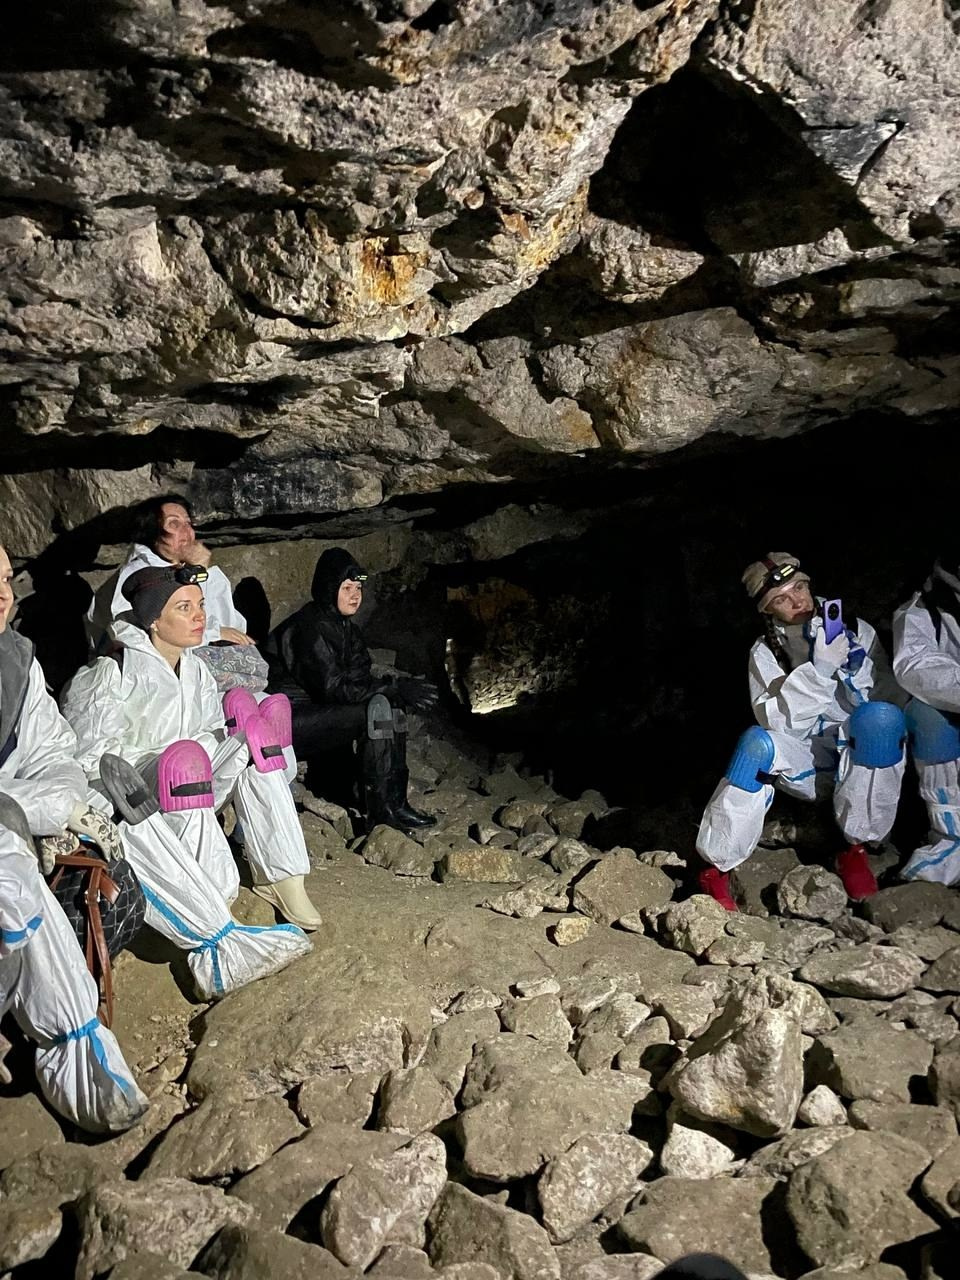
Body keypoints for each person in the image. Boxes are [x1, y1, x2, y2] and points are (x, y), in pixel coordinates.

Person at [62, 563, 323, 960]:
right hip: (136, 798)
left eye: (200, 605)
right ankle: (210, 899)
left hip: (190, 782)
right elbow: (88, 764)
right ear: (153, 620)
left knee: (254, 740)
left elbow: (209, 728)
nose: (200, 616)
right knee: (185, 762)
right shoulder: (109, 673)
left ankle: (284, 874)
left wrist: (228, 742)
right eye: (184, 608)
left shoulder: (196, 668)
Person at [0, 544, 146, 1132]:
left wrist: (48, 803)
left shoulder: (14, 660)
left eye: (7, 579)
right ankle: (71, 1050)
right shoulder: (101, 675)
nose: (3, 593)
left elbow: (54, 751)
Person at [696, 552, 906, 909]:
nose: (797, 601)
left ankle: (855, 848)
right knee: (755, 745)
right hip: (807, 762)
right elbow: (778, 724)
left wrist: (856, 670)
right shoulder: (766, 652)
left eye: (800, 588)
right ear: (767, 610)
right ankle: (715, 866)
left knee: (881, 720)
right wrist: (819, 672)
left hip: (854, 757)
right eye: (782, 598)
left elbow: (893, 702)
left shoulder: (855, 628)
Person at [264, 547, 437, 832]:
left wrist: (394, 692)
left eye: (358, 588)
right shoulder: (309, 627)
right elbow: (334, 689)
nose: (355, 595)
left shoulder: (348, 631)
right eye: (346, 588)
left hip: (318, 713)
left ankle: (395, 801)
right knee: (379, 706)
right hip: (286, 722)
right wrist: (394, 688)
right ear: (329, 589)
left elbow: (361, 681)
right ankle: (379, 812)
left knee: (389, 705)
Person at [86, 494, 265, 692]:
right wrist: (213, 632)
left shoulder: (195, 569)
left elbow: (233, 629)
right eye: (174, 523)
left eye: (188, 523)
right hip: (141, 672)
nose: (186, 531)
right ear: (152, 531)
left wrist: (200, 572)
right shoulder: (138, 577)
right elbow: (135, 636)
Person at [892, 554, 960, 883]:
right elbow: (915, 667)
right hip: (954, 710)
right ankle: (951, 838)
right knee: (924, 714)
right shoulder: (923, 609)